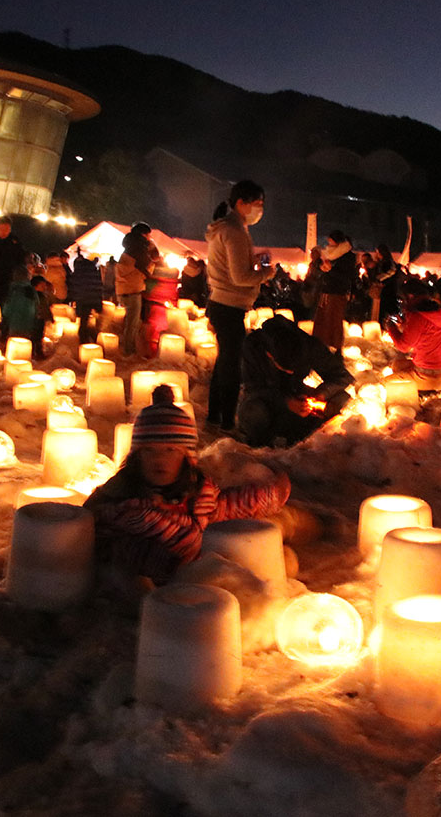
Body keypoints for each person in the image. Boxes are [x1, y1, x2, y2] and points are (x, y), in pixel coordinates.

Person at [85, 385, 291, 586]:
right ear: (136, 457)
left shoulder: (198, 495)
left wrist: (271, 494)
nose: (159, 459)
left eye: (170, 450)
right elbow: (95, 537)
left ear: (187, 457)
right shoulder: (122, 507)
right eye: (149, 451)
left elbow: (229, 505)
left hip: (197, 585)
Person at [205, 181, 271, 429]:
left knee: (224, 363)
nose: (260, 210)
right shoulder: (233, 231)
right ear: (241, 203)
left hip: (223, 304)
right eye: (258, 204)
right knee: (231, 367)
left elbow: (234, 265)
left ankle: (214, 417)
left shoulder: (230, 228)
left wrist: (253, 259)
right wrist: (267, 273)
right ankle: (227, 423)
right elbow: (240, 277)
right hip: (229, 305)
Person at [237, 314, 353, 446]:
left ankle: (309, 439)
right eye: (286, 369)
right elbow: (253, 388)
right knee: (254, 412)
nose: (292, 372)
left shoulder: (308, 345)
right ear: (270, 355)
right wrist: (285, 402)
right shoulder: (253, 346)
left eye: (296, 367)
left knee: (342, 398)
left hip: (297, 393)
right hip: (267, 398)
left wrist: (320, 395)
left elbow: (341, 376)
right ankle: (261, 442)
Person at [384, 290, 441, 391]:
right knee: (397, 365)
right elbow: (423, 333)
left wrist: (391, 328)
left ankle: (415, 395)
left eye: (403, 300)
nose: (403, 305)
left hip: (428, 377)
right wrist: (404, 326)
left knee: (385, 383)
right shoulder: (436, 315)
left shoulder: (418, 317)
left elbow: (403, 346)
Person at [311, 230, 357, 349]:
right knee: (322, 321)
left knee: (334, 322)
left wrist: (331, 270)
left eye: (330, 241)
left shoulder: (347, 257)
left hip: (337, 293)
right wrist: (319, 265)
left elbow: (347, 276)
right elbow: (319, 268)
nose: (328, 244)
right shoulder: (329, 254)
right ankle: (320, 345)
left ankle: (334, 347)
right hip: (326, 291)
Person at [116, 223, 155, 356]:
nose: (150, 238)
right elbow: (148, 269)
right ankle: (129, 351)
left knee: (129, 321)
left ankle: (127, 347)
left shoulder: (128, 248)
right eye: (149, 234)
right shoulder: (139, 250)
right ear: (143, 234)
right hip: (132, 289)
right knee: (132, 322)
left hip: (123, 288)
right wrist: (153, 256)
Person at [67, 251, 104, 344]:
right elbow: (98, 286)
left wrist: (72, 298)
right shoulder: (93, 271)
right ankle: (94, 338)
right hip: (93, 299)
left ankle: (85, 340)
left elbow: (74, 286)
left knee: (84, 321)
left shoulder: (78, 273)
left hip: (82, 300)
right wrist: (99, 301)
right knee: (88, 320)